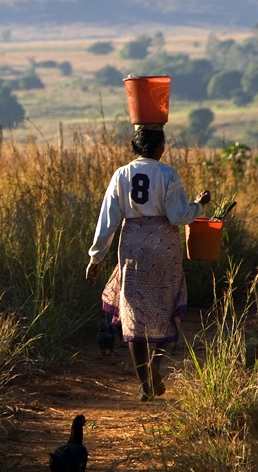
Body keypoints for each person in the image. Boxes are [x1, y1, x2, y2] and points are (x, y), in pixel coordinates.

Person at [85, 125, 210, 401]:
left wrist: (96, 257)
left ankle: (144, 382)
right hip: (164, 245)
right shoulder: (168, 174)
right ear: (160, 148)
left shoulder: (121, 174)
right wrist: (199, 205)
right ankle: (155, 364)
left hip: (132, 244)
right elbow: (178, 216)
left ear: (135, 147)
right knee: (166, 306)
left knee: (133, 312)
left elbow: (108, 219)